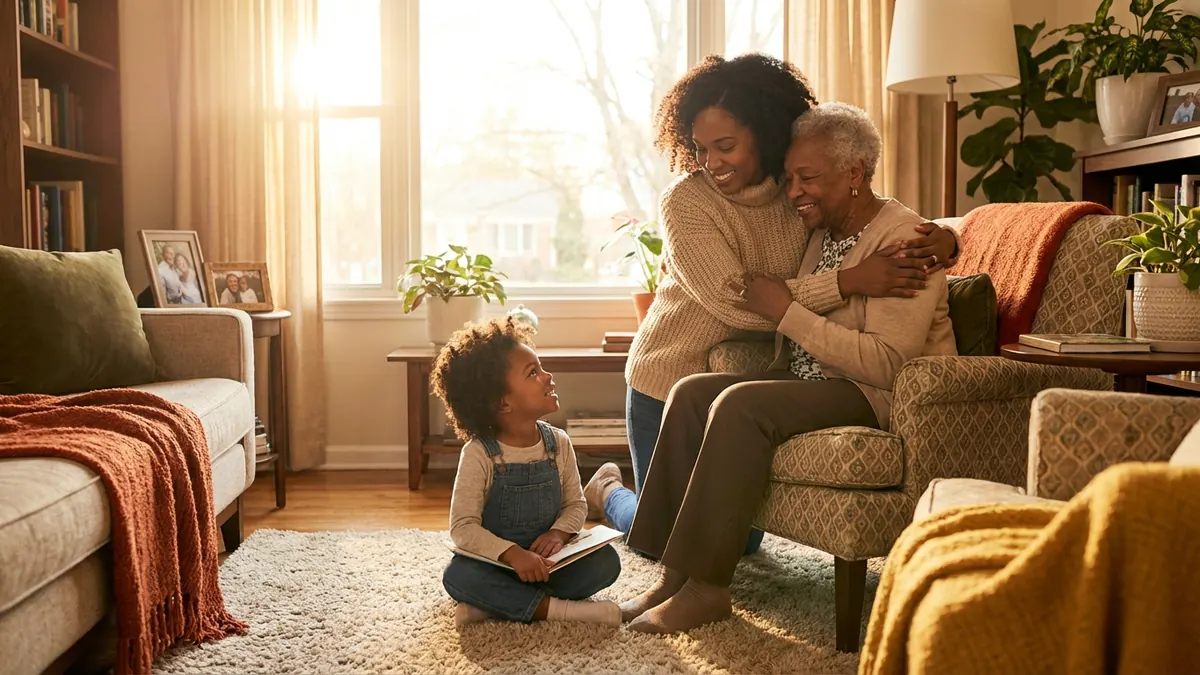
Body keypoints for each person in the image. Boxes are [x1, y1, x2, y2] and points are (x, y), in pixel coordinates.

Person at [582, 54, 961, 545]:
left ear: (764, 133)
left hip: (747, 376)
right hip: (668, 377)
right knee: (661, 538)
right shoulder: (687, 202)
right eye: (700, 148)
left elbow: (868, 208)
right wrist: (850, 281)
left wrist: (950, 237)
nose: (711, 162)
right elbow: (739, 304)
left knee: (740, 540)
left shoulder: (796, 192)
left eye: (726, 146)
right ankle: (609, 491)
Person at [619, 102, 958, 633]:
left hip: (869, 390)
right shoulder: (824, 230)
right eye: (791, 176)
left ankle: (709, 590)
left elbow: (888, 362)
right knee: (691, 391)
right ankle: (675, 575)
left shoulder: (903, 242)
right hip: (809, 380)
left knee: (739, 404)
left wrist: (786, 311)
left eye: (807, 178)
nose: (793, 190)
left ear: (855, 174)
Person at [433, 318, 622, 628]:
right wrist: (512, 555)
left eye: (541, 367)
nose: (548, 376)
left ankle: (498, 605)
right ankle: (562, 611)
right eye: (533, 373)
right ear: (501, 402)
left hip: (550, 565)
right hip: (497, 565)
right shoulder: (479, 454)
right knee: (457, 576)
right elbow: (463, 528)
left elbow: (576, 505)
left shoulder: (558, 443)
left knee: (606, 563)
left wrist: (558, 534)